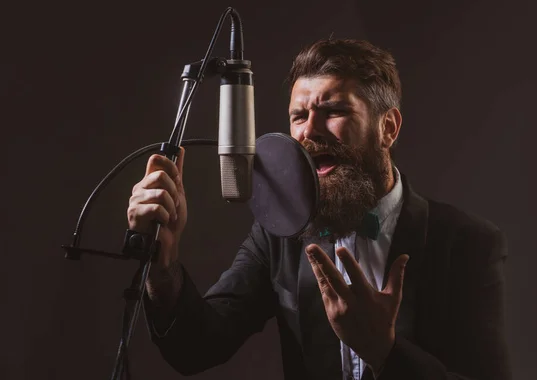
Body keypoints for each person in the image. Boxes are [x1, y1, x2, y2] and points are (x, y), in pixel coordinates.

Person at [128, 39, 511, 380]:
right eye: (299, 116)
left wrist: (385, 353)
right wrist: (163, 264)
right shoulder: (278, 235)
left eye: (333, 111)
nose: (309, 131)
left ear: (388, 128)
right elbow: (196, 347)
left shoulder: (468, 243)